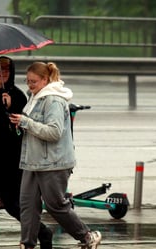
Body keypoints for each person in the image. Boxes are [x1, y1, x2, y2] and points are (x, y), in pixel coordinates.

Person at [9, 62, 102, 249]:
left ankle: (87, 236)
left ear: (45, 80)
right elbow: (33, 129)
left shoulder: (53, 100)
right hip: (32, 161)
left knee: (56, 206)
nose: (30, 85)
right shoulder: (34, 97)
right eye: (27, 81)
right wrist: (20, 125)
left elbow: (54, 132)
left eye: (34, 81)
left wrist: (26, 123)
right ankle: (27, 244)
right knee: (27, 206)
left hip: (54, 163)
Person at [0, 56, 53, 249]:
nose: (3, 74)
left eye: (7, 71)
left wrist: (10, 108)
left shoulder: (17, 96)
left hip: (8, 160)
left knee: (10, 205)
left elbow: (19, 129)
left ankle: (43, 232)